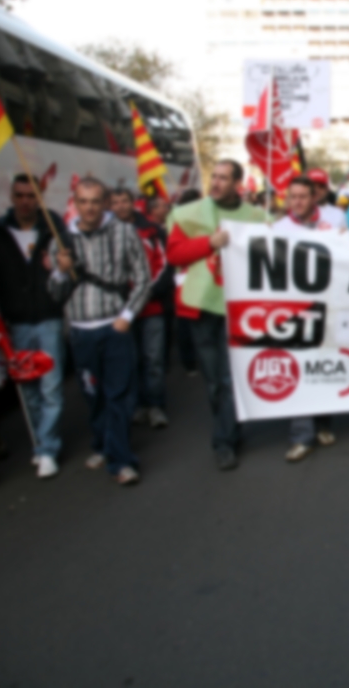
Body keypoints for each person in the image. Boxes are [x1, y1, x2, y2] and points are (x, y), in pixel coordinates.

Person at [48, 178, 152, 486]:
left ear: (104, 202)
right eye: (83, 201)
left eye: (95, 201)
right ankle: (102, 444)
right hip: (81, 332)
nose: (90, 208)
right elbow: (54, 293)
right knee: (93, 395)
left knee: (119, 394)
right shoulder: (61, 239)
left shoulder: (124, 232)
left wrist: (127, 316)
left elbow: (143, 278)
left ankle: (122, 461)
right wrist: (60, 272)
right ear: (75, 203)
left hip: (114, 327)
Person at [166, 160, 268, 471]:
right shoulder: (188, 213)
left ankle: (224, 442)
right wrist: (208, 243)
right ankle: (229, 424)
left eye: (224, 178)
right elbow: (174, 254)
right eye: (214, 177)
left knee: (226, 377)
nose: (216, 182)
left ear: (238, 184)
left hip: (237, 307)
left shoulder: (257, 217)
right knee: (213, 381)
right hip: (201, 305)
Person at [0, 175, 68, 478]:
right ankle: (42, 442)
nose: (25, 201)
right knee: (29, 391)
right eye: (19, 195)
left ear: (39, 198)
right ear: (12, 197)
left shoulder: (54, 231)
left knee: (51, 388)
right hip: (17, 325)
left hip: (49, 320)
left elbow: (71, 271)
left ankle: (48, 449)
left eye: (31, 195)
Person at [275, 177, 340, 460]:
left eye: (303, 196)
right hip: (293, 311)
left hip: (328, 307)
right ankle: (302, 436)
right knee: (299, 369)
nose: (298, 202)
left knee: (322, 368)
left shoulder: (333, 223)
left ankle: (323, 424)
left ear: (314, 198)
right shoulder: (278, 228)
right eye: (293, 197)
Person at [126, 195, 173, 429]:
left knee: (153, 359)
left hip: (152, 307)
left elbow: (164, 264)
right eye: (114, 202)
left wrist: (146, 292)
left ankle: (155, 405)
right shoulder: (109, 234)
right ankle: (137, 405)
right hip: (124, 312)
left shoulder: (152, 232)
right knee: (131, 360)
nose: (120, 206)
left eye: (124, 201)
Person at [172, 188, 202, 376]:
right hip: (185, 280)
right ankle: (190, 361)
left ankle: (191, 361)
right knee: (187, 324)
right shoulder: (179, 224)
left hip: (194, 281)